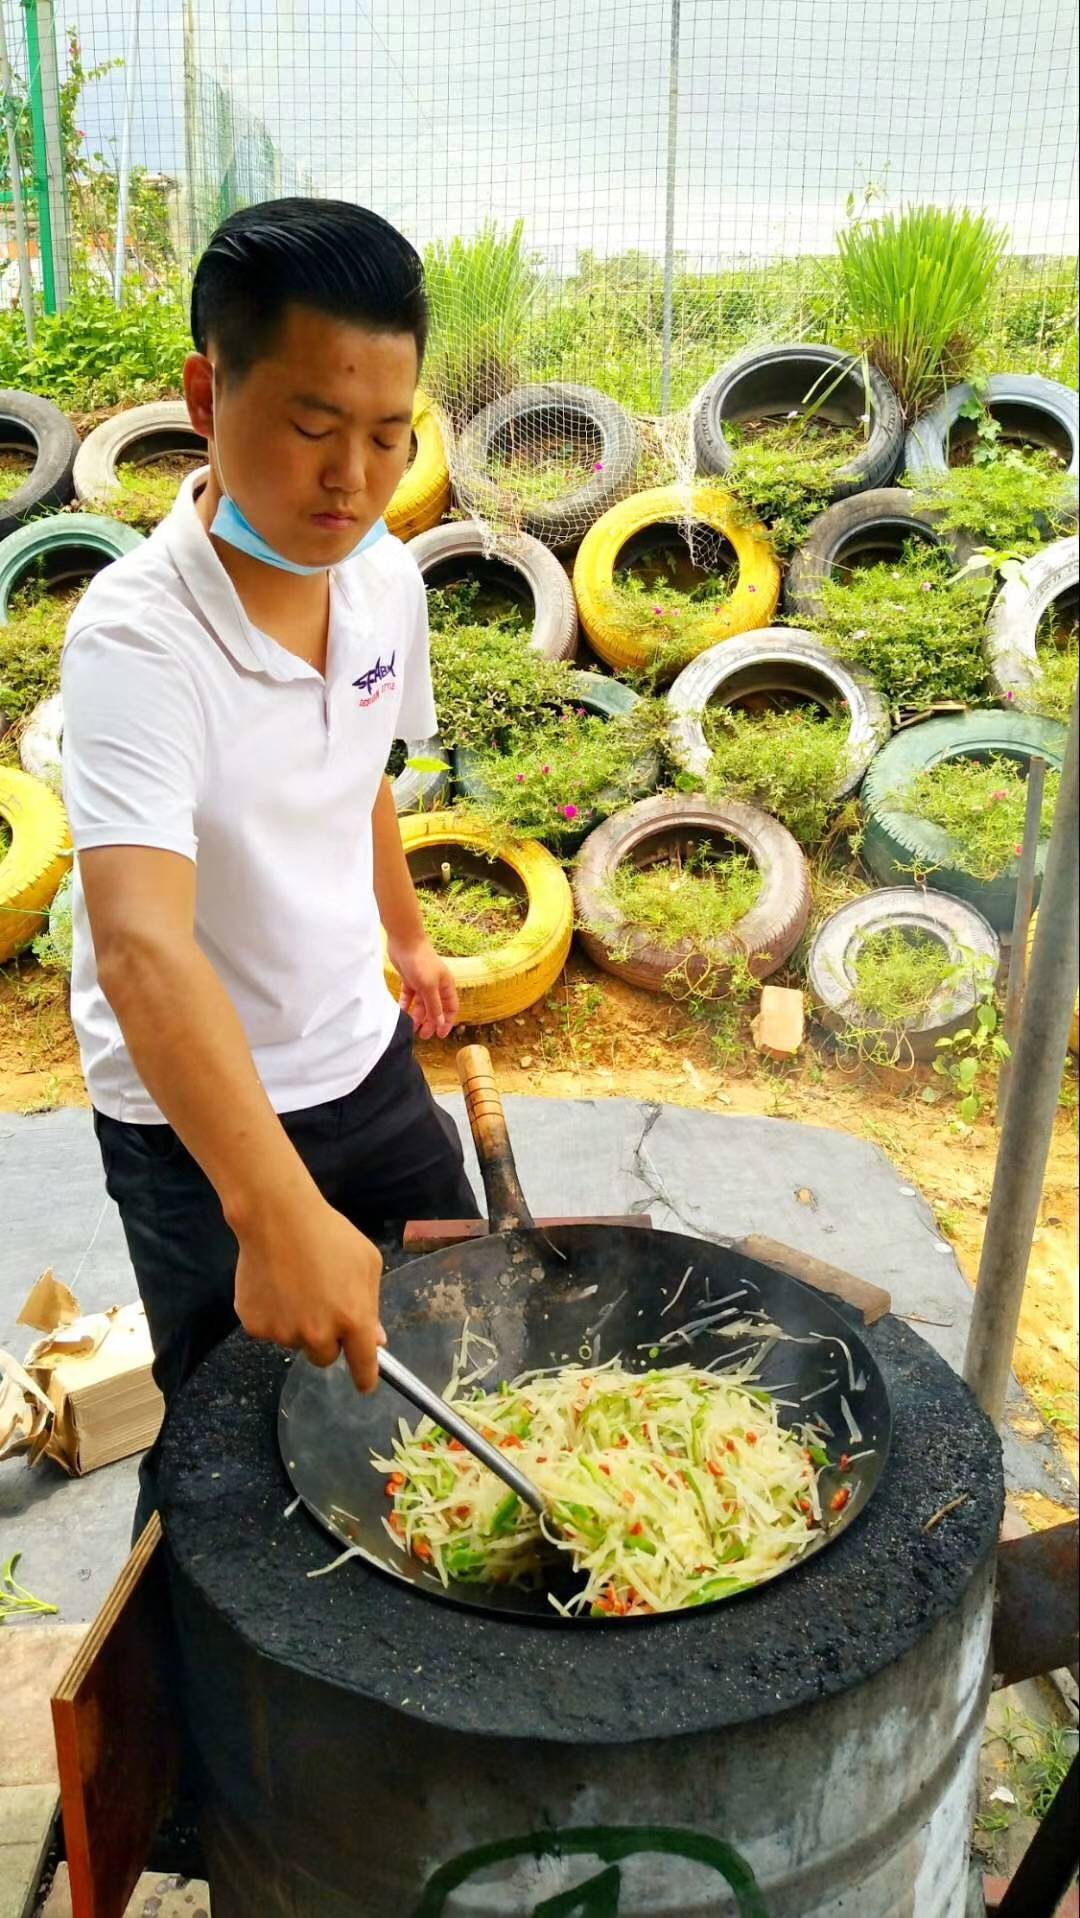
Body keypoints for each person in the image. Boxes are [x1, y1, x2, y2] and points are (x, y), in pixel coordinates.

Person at [60, 199, 480, 1528]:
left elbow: (357, 774)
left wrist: (407, 940)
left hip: (359, 1054)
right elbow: (141, 941)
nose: (351, 477)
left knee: (476, 1330)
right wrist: (272, 1204)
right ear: (206, 392)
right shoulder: (136, 641)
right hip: (194, 1123)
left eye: (387, 434)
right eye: (311, 427)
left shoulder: (384, 583)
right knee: (230, 1464)